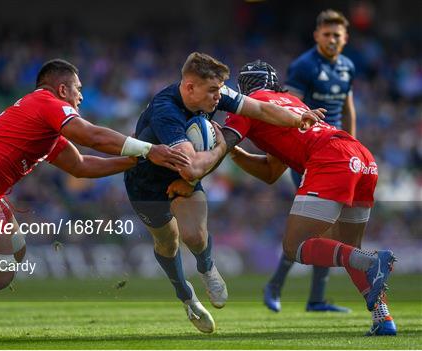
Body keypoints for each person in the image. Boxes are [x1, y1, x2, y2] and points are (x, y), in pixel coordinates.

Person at [0, 59, 191, 341]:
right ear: (62, 89)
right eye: (79, 90)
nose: (82, 97)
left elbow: (81, 166)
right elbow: (92, 136)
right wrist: (148, 150)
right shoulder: (45, 102)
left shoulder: (41, 121)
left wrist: (138, 161)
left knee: (16, 252)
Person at [123, 52, 322, 333]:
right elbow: (191, 166)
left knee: (194, 236)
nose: (219, 98)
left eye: (220, 90)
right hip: (146, 182)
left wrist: (296, 119)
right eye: (213, 91)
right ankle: (187, 297)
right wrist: (218, 150)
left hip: (187, 173)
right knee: (168, 243)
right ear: (190, 87)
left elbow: (261, 110)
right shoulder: (166, 111)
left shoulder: (215, 92)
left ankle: (206, 268)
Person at [223, 60, 393, 336]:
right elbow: (270, 172)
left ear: (242, 87)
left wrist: (211, 152)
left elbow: (226, 140)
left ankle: (373, 261)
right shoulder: (289, 101)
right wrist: (236, 154)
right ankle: (383, 318)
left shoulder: (249, 103)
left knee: (294, 247)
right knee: (351, 250)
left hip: (330, 158)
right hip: (361, 157)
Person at [263, 9, 357, 313]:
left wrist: (351, 146)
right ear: (316, 35)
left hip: (336, 155)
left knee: (326, 228)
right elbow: (289, 109)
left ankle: (316, 298)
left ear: (345, 39)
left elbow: (347, 107)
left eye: (337, 35)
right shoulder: (303, 66)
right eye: (326, 34)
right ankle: (276, 286)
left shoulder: (347, 67)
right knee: (313, 225)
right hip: (307, 156)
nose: (332, 40)